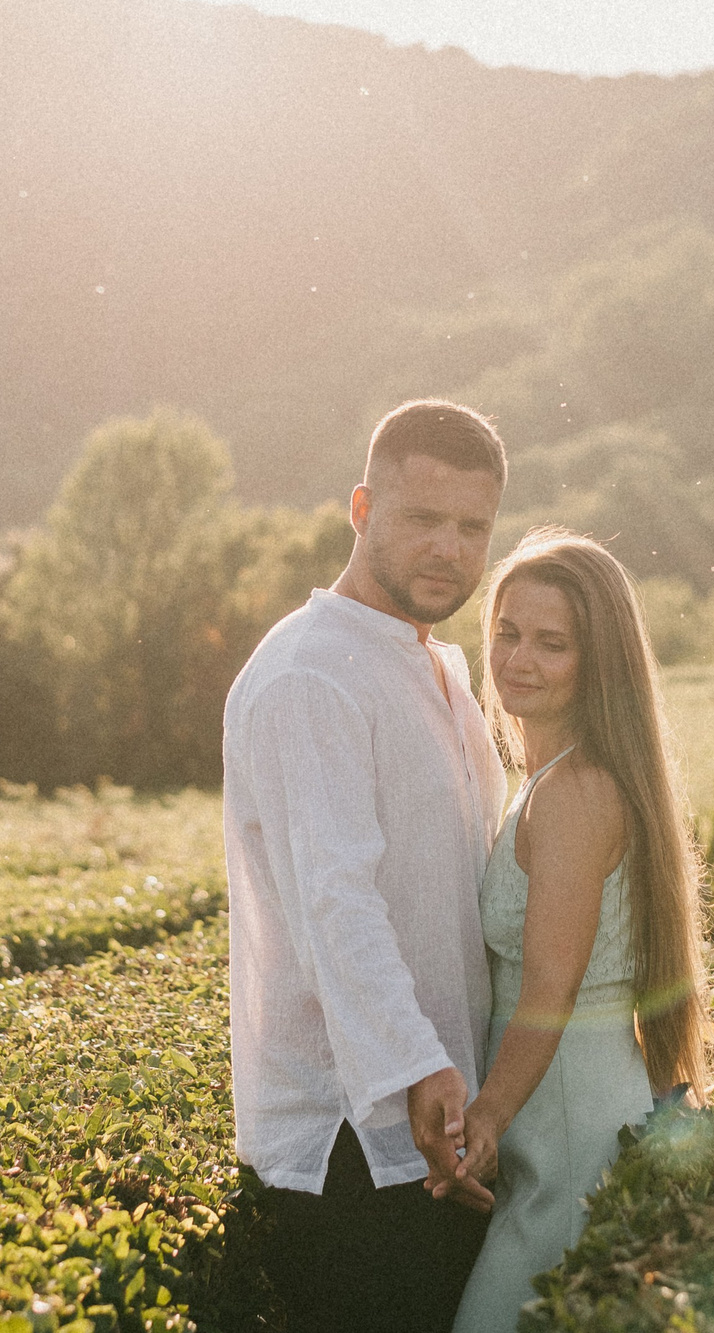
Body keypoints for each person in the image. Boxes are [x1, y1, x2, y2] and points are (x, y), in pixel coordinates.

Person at [221, 399, 511, 1333]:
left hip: (444, 1127)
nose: (449, 549)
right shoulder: (314, 673)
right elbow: (334, 902)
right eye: (422, 518)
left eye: (472, 527)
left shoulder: (443, 668)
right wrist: (421, 1068)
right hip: (357, 1140)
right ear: (360, 508)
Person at [444, 528, 714, 1333]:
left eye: (551, 642)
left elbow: (549, 986)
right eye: (507, 631)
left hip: (564, 1130)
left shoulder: (574, 791)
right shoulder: (549, 777)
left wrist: (488, 1115)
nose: (517, 658)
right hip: (560, 1114)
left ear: (596, 661)